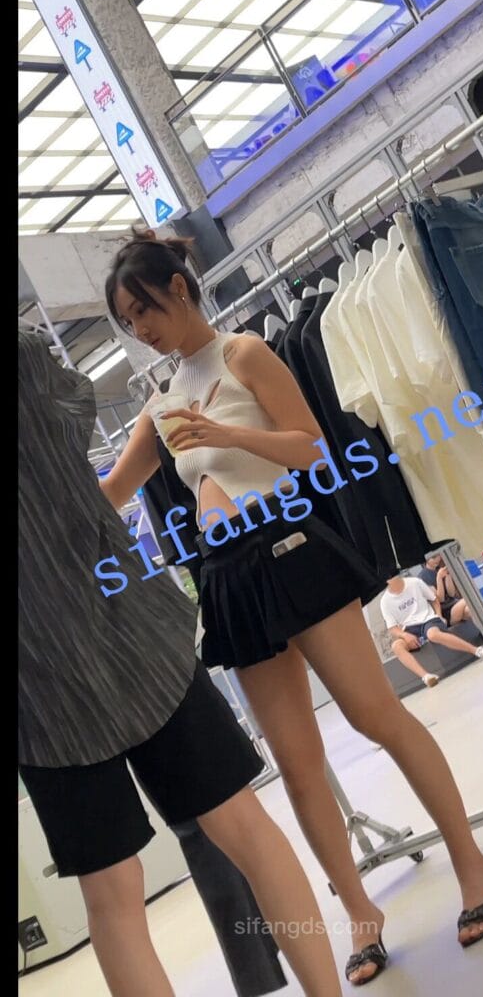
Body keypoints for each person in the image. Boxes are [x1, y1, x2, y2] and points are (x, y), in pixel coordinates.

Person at [102, 232, 483, 984]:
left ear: (178, 289)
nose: (140, 330)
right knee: (296, 766)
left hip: (291, 545)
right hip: (228, 577)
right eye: (128, 322)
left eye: (143, 310)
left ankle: (473, 863)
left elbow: (316, 450)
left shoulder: (244, 354)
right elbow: (111, 493)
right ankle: (359, 911)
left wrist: (221, 433)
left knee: (375, 715)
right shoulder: (158, 406)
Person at [18, 326, 342, 997]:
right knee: (242, 828)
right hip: (135, 641)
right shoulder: (25, 355)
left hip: (40, 686)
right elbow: (73, 397)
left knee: (112, 895)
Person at [381, 575, 483, 666]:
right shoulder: (385, 601)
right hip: (416, 625)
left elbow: (438, 598)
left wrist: (438, 616)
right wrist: (404, 635)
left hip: (432, 619)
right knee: (396, 646)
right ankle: (425, 676)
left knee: (434, 633)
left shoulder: (415, 582)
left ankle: (478, 648)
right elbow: (392, 627)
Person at [419, 553, 472, 626]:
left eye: (438, 556)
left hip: (454, 604)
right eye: (433, 558)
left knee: (469, 611)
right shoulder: (423, 576)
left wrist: (448, 575)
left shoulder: (440, 568)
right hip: (445, 610)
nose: (437, 559)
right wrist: (439, 578)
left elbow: (451, 593)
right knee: (469, 599)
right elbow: (440, 599)